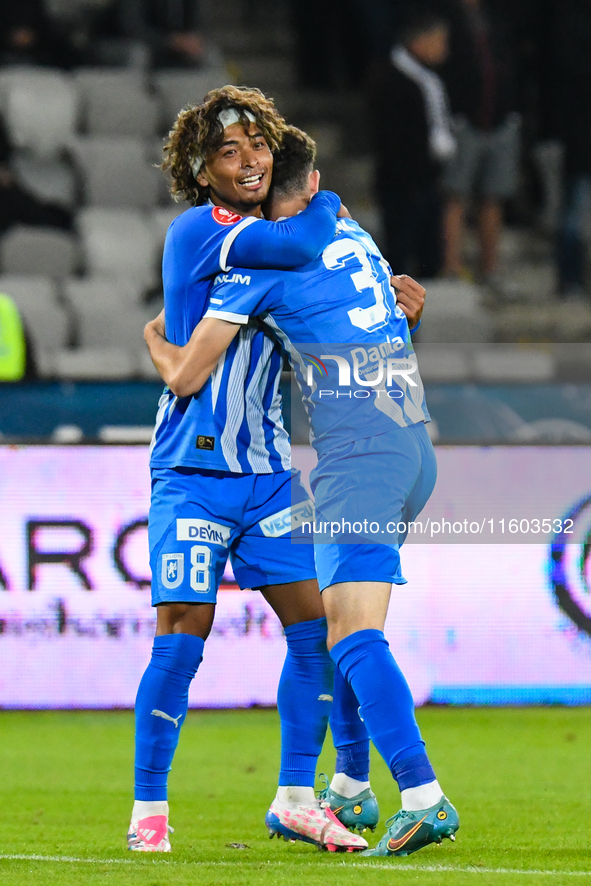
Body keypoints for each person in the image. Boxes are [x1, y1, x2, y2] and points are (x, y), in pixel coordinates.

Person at [144, 126, 459, 858]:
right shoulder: (352, 234)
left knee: (350, 635)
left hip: (357, 461)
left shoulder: (257, 267)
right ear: (313, 185)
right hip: (413, 444)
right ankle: (348, 786)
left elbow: (188, 377)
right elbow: (382, 318)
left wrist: (156, 342)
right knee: (334, 619)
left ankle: (422, 794)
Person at [128, 85, 368, 854]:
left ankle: (296, 796)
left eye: (258, 145)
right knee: (181, 638)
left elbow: (314, 312)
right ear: (202, 173)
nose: (249, 160)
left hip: (266, 472)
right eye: (228, 152)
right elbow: (301, 245)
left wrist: (394, 304)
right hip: (194, 470)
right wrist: (325, 202)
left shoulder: (261, 243)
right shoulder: (208, 229)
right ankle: (148, 812)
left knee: (317, 635)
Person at [367, 8, 455, 278]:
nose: (444, 49)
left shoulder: (427, 77)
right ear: (420, 41)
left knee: (429, 252)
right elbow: (390, 137)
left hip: (427, 177)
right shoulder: (390, 78)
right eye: (439, 41)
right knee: (401, 248)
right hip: (404, 181)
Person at [439, 0, 520, 290]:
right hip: (463, 123)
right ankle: (451, 267)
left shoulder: (499, 16)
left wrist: (511, 108)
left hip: (500, 120)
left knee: (493, 197)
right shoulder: (445, 17)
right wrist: (455, 112)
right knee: (455, 196)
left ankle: (490, 269)